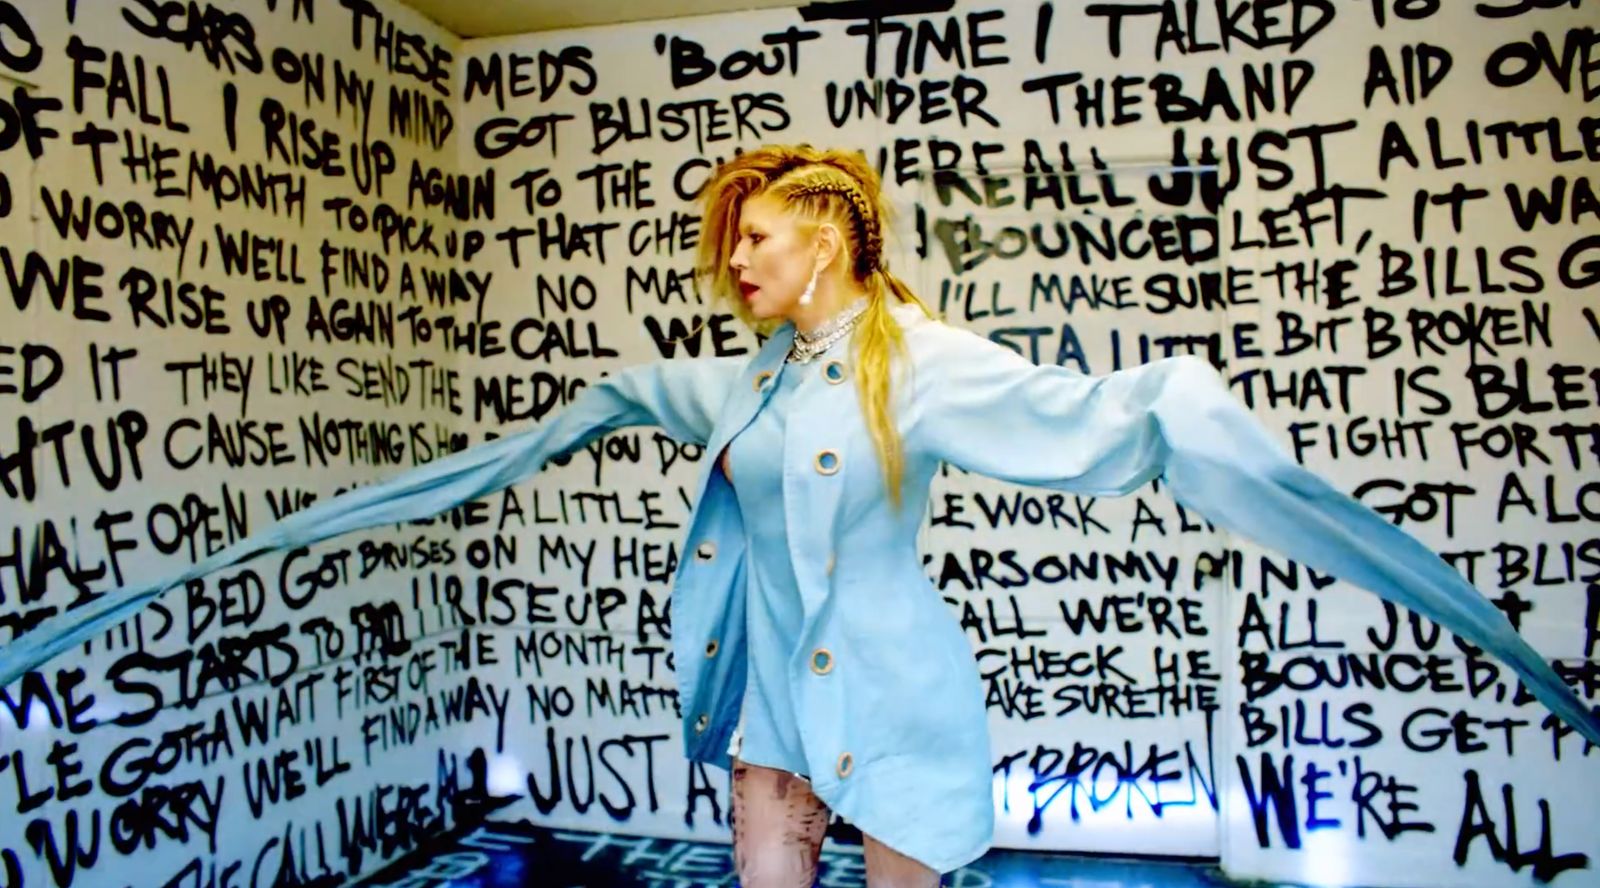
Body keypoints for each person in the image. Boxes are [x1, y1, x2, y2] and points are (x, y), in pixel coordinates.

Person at [2, 144, 1596, 888]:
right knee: (769, 870)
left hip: (904, 695)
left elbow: (1112, 421)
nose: (737, 266)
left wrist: (1179, 410)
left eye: (758, 241)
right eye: (732, 250)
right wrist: (298, 530)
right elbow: (530, 445)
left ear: (830, 234)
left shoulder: (933, 366)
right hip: (770, 690)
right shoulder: (733, 388)